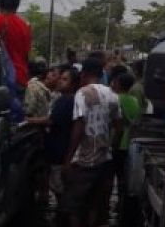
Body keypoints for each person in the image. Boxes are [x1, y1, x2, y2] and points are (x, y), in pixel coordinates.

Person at [63, 58, 120, 227]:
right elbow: (119, 127)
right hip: (104, 159)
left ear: (84, 74)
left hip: (84, 160)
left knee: (74, 206)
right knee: (94, 204)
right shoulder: (113, 95)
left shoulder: (82, 93)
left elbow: (79, 126)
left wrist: (68, 158)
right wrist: (109, 147)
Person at [46, 68, 78, 224]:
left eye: (65, 79)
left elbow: (51, 120)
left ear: (73, 84)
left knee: (59, 186)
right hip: (61, 149)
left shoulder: (65, 100)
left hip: (60, 150)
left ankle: (64, 214)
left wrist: (29, 121)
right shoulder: (69, 99)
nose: (60, 80)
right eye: (61, 78)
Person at [110, 71, 140, 223]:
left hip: (117, 141)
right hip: (130, 142)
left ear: (119, 84)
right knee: (123, 177)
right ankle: (122, 205)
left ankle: (112, 207)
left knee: (112, 176)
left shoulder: (116, 99)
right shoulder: (134, 100)